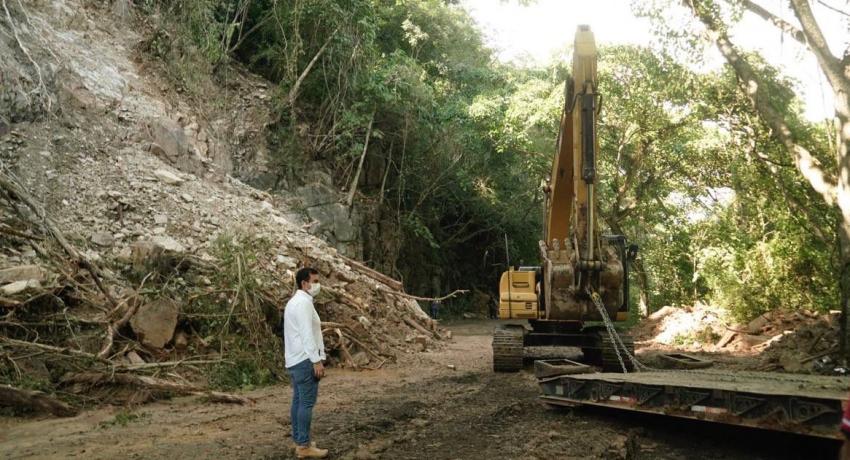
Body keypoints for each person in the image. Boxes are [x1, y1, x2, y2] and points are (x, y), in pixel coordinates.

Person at [283, 267, 328, 459]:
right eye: (315, 281)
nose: (317, 285)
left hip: (295, 359)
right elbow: (307, 334)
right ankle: (303, 446)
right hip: (304, 360)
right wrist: (316, 361)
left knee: (298, 401)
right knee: (306, 403)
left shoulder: (295, 302)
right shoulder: (303, 304)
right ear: (304, 283)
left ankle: (299, 439)